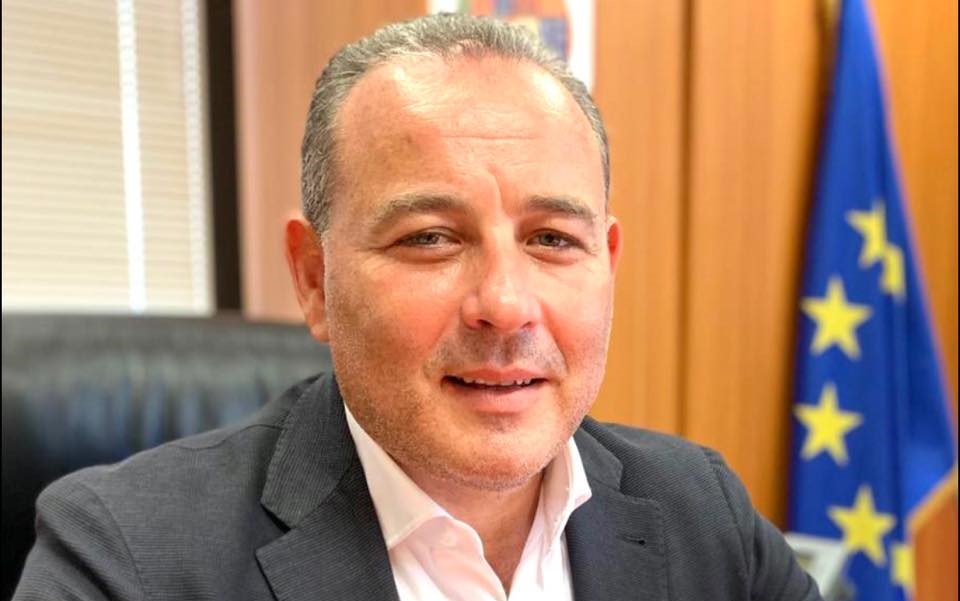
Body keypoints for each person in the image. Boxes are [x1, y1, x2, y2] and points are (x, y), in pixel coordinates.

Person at [15, 14, 821, 601]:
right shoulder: (126, 560)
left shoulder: (701, 513)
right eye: (431, 238)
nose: (505, 304)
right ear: (314, 278)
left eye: (551, 239)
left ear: (606, 263)